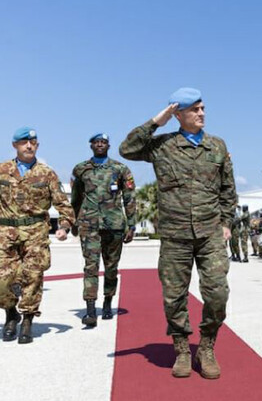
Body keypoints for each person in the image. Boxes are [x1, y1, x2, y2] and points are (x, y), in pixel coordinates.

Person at [120, 87, 236, 379]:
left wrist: (226, 222)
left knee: (217, 293)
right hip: (175, 235)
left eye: (203, 108)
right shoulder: (162, 145)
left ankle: (206, 346)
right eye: (195, 110)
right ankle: (182, 348)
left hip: (210, 233)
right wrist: (157, 121)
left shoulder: (217, 146)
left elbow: (227, 189)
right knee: (174, 297)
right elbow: (127, 149)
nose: (201, 114)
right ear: (179, 114)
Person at [0, 127, 75, 344]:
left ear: (37, 146)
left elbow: (62, 203)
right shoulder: (0, 170)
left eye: (33, 142)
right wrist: (0, 214)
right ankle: (10, 314)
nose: (29, 146)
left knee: (33, 277)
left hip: (35, 232)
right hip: (6, 232)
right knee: (1, 277)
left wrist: (64, 225)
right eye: (24, 142)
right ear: (15, 145)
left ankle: (27, 321)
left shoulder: (47, 173)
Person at [71, 133, 137, 327]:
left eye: (103, 142)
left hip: (114, 225)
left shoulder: (120, 169)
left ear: (108, 146)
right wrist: (73, 222)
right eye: (96, 142)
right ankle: (90, 309)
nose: (100, 145)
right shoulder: (81, 169)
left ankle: (108, 302)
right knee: (90, 266)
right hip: (89, 224)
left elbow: (130, 198)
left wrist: (132, 225)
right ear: (91, 145)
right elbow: (75, 198)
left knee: (111, 267)